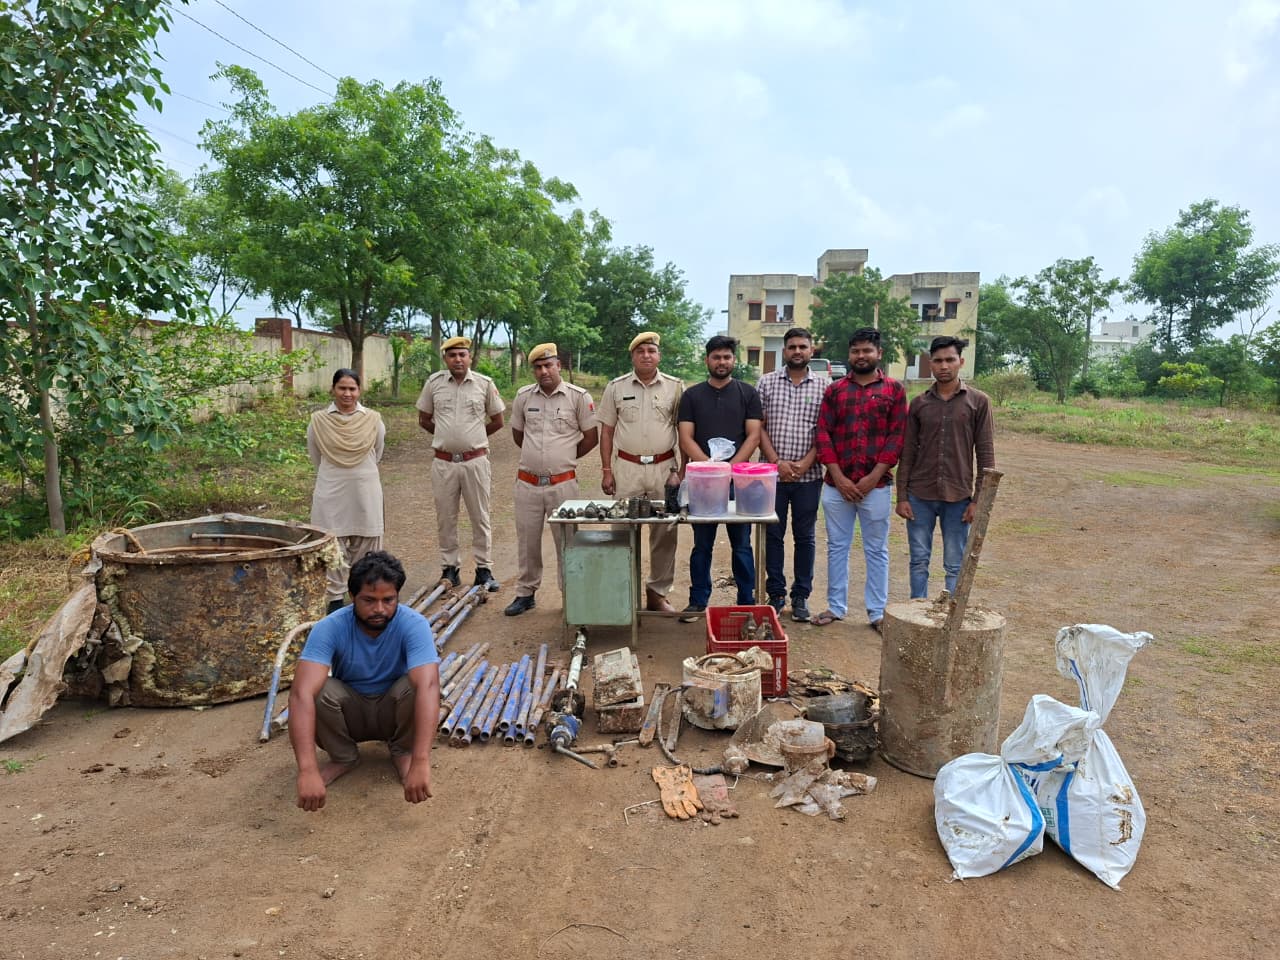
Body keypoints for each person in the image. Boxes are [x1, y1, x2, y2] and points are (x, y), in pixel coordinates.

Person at [288, 551, 440, 811]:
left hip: (393, 709)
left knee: (419, 685)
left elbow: (428, 686)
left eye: (388, 600)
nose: (379, 609)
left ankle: (404, 752)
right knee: (317, 689)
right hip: (351, 711)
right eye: (369, 600)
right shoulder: (330, 627)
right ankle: (343, 757)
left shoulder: (414, 624)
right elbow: (300, 694)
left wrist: (421, 760)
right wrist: (307, 769)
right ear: (352, 597)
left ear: (398, 597)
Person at [813, 328, 907, 632]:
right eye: (856, 351)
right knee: (837, 546)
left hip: (876, 486)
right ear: (849, 355)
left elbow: (897, 436)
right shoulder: (836, 390)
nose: (861, 356)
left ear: (878, 354)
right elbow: (823, 432)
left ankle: (877, 612)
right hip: (835, 485)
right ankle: (835, 607)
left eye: (867, 351)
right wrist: (838, 476)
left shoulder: (894, 389)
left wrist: (874, 476)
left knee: (876, 549)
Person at [895, 336, 996, 598]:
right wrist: (902, 496)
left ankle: (949, 618)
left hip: (959, 497)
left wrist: (979, 501)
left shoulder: (978, 402)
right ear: (930, 364)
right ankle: (917, 612)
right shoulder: (919, 404)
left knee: (954, 564)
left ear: (960, 362)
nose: (944, 366)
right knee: (918, 561)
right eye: (938, 360)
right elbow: (907, 453)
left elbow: (985, 454)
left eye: (950, 360)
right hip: (920, 496)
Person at [503, 344, 599, 616]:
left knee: (568, 540)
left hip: (563, 484)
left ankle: (570, 594)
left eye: (549, 365)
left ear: (559, 365)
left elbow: (591, 438)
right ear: (533, 370)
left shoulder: (578, 397)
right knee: (527, 541)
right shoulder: (523, 397)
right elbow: (518, 436)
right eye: (538, 367)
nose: (544, 371)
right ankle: (526, 593)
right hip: (527, 483)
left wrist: (564, 458)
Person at [596, 331, 684, 613]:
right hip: (628, 468)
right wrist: (607, 470)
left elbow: (683, 431)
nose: (646, 355)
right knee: (622, 531)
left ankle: (657, 594)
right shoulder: (616, 387)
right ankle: (622, 593)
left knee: (664, 533)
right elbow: (607, 431)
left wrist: (681, 472)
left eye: (651, 350)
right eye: (640, 351)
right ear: (632, 356)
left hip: (663, 469)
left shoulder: (674, 387)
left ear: (659, 355)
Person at [677, 335, 763, 622]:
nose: (722, 362)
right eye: (716, 357)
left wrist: (730, 469)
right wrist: (710, 469)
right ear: (707, 361)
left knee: (742, 543)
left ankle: (745, 600)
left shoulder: (748, 394)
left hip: (739, 483)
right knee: (702, 544)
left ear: (733, 361)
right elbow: (686, 437)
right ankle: (697, 600)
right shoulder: (692, 396)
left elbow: (753, 435)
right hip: (703, 482)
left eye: (727, 357)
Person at [415, 336, 505, 591]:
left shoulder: (484, 384)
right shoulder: (434, 384)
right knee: (446, 517)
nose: (458, 359)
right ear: (445, 358)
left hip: (475, 461)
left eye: (462, 354)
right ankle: (449, 569)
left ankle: (484, 569)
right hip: (443, 463)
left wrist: (473, 438)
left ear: (470, 357)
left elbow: (498, 420)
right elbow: (424, 418)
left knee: (480, 516)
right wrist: (447, 437)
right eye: (452, 355)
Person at [757, 328, 829, 623]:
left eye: (802, 346)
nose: (797, 351)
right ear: (783, 351)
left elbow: (826, 430)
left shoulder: (825, 386)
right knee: (772, 535)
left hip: (808, 476)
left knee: (805, 537)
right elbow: (757, 427)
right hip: (770, 476)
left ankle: (800, 596)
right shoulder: (766, 383)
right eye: (791, 347)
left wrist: (804, 462)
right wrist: (776, 461)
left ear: (812, 350)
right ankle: (775, 594)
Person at [307, 368, 386, 615]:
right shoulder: (318, 421)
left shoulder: (373, 419)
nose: (347, 393)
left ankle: (364, 594)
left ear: (359, 391)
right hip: (331, 487)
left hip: (365, 487)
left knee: (367, 540)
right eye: (342, 388)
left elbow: (378, 452)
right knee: (332, 542)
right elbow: (315, 456)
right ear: (333, 390)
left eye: (352, 388)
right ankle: (334, 599)